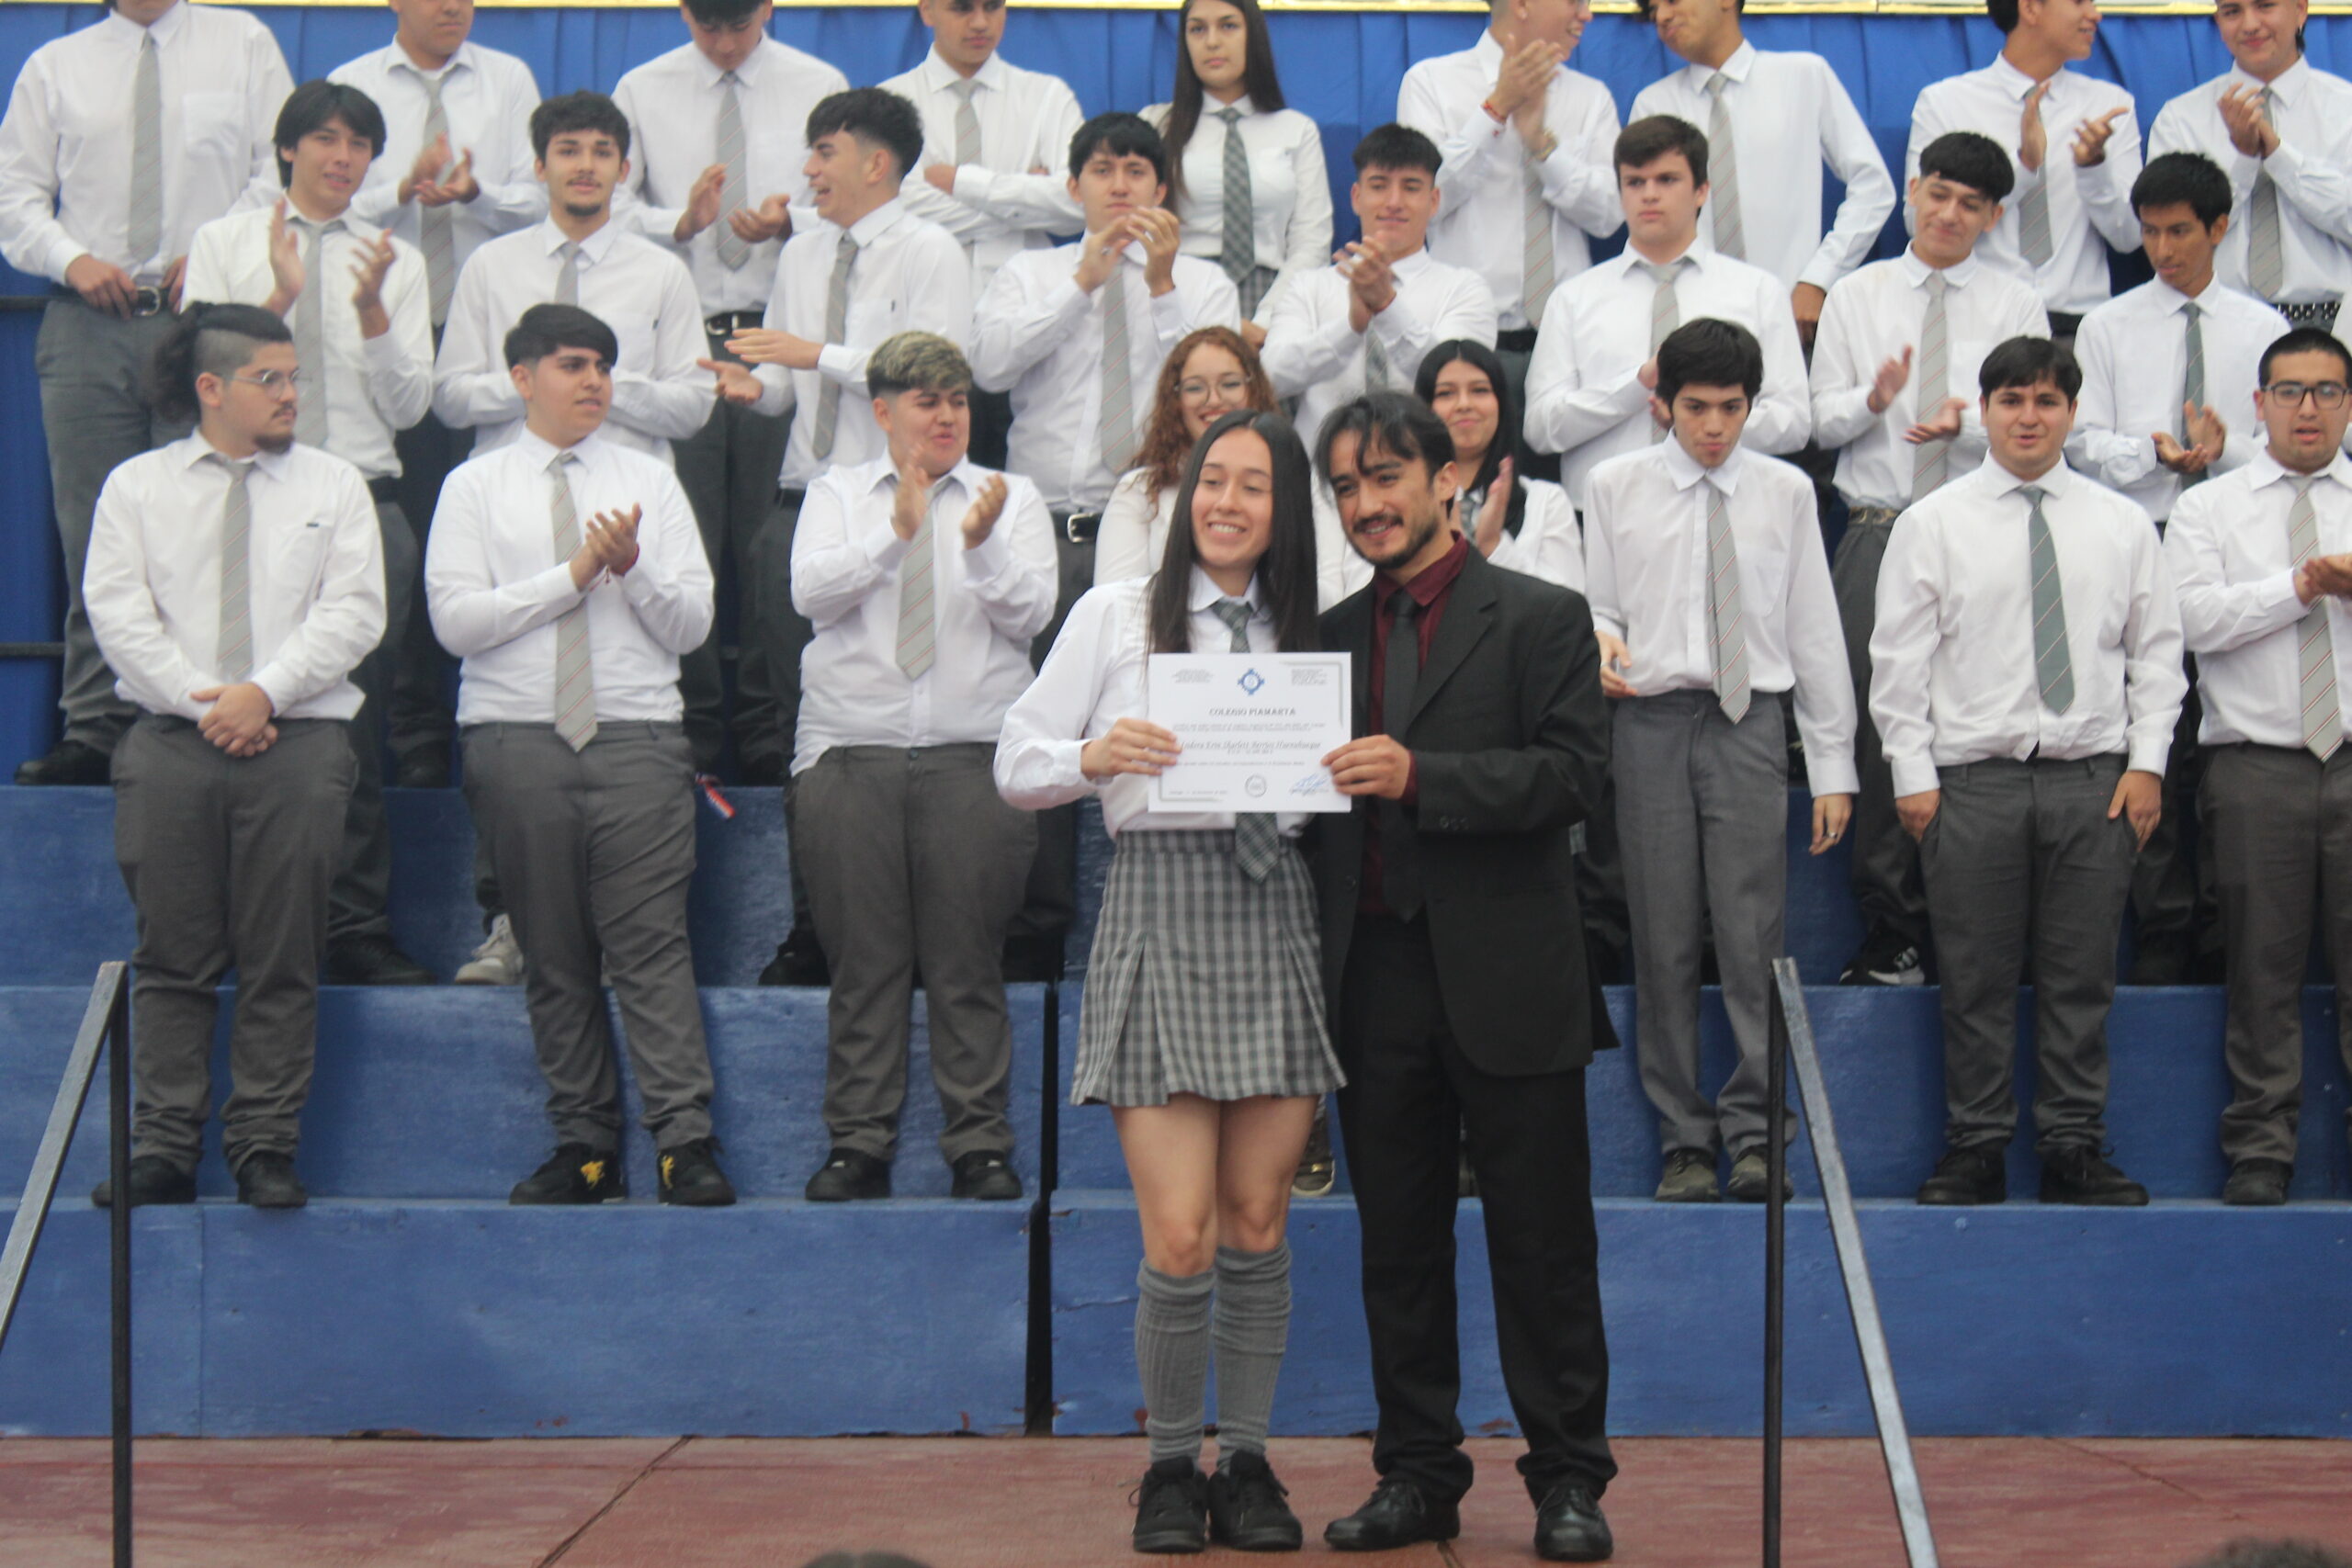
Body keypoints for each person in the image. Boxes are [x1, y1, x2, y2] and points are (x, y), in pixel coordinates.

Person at [996, 408, 1342, 1554]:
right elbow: (1014, 761)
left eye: (1254, 486)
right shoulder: (1116, 612)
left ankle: (1245, 1463)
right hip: (1157, 902)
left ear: (1285, 511)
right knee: (1180, 1235)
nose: (1228, 503)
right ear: (1186, 494)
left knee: (1257, 1221)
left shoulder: (1312, 630)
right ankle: (1165, 1471)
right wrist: (1091, 756)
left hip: (1274, 910)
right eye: (1213, 481)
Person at [1312, 392, 1615, 1561]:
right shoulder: (1322, 639)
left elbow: (1571, 779)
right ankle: (1416, 1476)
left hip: (1511, 974)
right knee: (1396, 1245)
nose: (1366, 504)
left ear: (1447, 478)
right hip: (1372, 977)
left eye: (1385, 476)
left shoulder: (1542, 615)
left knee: (1545, 1247)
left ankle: (1569, 1482)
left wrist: (1420, 777)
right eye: (1345, 486)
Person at [427, 303, 733, 1208]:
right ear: (522, 379)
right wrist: (572, 577)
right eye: (572, 364)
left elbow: (692, 624)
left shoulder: (651, 479)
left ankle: (685, 1142)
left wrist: (631, 566)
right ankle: (585, 1148)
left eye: (603, 364)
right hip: (517, 734)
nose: (594, 380)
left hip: (637, 734)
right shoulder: (474, 486)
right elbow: (456, 623)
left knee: (652, 948)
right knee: (552, 954)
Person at [84, 302, 385, 1210]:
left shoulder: (334, 483)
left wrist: (264, 692)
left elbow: (355, 611)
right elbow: (117, 612)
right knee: (171, 955)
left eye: (295, 377)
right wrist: (206, 701)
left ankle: (265, 1146)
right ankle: (163, 1150)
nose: (291, 394)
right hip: (173, 741)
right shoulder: (137, 486)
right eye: (270, 379)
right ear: (211, 387)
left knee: (282, 953)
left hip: (299, 741)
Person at [1871, 335, 2185, 1207]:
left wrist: (2149, 763)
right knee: (1975, 977)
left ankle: (2072, 1146)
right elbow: (1898, 661)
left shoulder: (2121, 523)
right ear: (1984, 410)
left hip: (2095, 782)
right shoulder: (1933, 522)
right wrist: (1912, 773)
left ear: (2073, 413)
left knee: (2082, 976)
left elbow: (2157, 654)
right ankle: (1975, 1146)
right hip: (1972, 783)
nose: (2029, 417)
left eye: (2047, 401)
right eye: (2011, 400)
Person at [1585, 319, 1856, 1202]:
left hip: (1750, 720)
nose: (1712, 426)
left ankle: (1757, 1133)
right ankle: (1683, 1139)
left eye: (1731, 408)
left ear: (1752, 405)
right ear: (1662, 401)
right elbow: (1600, 603)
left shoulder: (1785, 491)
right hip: (1650, 719)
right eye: (1695, 407)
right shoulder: (1615, 484)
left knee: (1752, 937)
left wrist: (1832, 764)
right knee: (1662, 935)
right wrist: (1600, 638)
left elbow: (1814, 627)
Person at [707, 85, 971, 987]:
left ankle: (917, 926)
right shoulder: (804, 252)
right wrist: (755, 390)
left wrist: (814, 355)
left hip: (898, 511)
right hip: (801, 504)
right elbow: (790, 390)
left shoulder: (931, 249)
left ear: (876, 162)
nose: (809, 171)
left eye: (824, 152)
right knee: (804, 733)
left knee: (906, 725)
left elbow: (938, 373)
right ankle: (814, 924)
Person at [182, 79, 441, 989]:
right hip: (246, 496)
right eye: (325, 139)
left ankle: (355, 924)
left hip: (364, 497)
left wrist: (373, 320)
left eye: (359, 144)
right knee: (239, 707)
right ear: (288, 147)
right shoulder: (225, 242)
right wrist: (281, 298)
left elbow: (411, 407)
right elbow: (199, 381)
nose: (343, 157)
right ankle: (231, 923)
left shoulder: (395, 259)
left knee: (351, 729)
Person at [0, 0, 292, 787]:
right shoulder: (56, 66)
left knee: (204, 523)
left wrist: (214, 246)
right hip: (86, 321)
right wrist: (69, 257)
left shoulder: (243, 41)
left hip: (205, 324)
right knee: (93, 529)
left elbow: (277, 172)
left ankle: (199, 714)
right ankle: (95, 728)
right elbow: (13, 194)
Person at [793, 333, 1056, 1203]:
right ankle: (857, 1145)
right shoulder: (836, 493)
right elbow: (810, 594)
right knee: (863, 965)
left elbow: (1032, 614)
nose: (947, 416)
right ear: (882, 411)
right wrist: (893, 534)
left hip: (973, 755)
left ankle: (978, 1144)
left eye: (958, 401)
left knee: (967, 964)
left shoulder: (1010, 497)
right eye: (926, 401)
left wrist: (979, 545)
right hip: (850, 750)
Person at [1810, 130, 2050, 991]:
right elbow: (1819, 420)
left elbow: (2042, 417)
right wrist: (1873, 401)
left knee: (1980, 713)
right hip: (1878, 527)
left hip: (1983, 529)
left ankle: (1979, 923)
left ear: (1993, 216)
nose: (1949, 214)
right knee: (1882, 723)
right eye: (1937, 194)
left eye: (1970, 204)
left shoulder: (2016, 300)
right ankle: (1892, 927)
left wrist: (1969, 426)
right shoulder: (1858, 293)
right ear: (1912, 192)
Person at [612, 0, 847, 783]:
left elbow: (850, 208)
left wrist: (790, 223)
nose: (722, 44)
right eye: (706, 27)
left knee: (767, 544)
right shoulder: (642, 87)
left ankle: (767, 737)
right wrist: (678, 224)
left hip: (780, 340)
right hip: (682, 341)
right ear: (682, 12)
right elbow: (605, 206)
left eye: (739, 27)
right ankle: (694, 735)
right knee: (686, 542)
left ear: (768, 10)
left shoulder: (818, 82)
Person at [2072, 152, 2291, 985]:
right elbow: (2082, 440)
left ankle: (2221, 925)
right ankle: (2162, 925)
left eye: (2179, 232)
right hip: (2138, 533)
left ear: (2219, 228)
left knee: (2226, 741)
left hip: (2235, 543)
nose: (2162, 249)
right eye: (2151, 232)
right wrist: (2151, 452)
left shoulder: (2261, 328)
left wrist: (2224, 451)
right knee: (2149, 733)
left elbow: (2287, 446)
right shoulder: (2108, 325)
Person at [330, 0, 547, 791]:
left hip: (489, 339)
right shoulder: (352, 85)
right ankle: (414, 730)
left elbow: (540, 199)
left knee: (500, 537)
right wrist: (402, 186)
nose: (453, 6)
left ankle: (501, 717)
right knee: (414, 541)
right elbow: (326, 207)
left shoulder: (509, 78)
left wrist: (473, 192)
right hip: (392, 336)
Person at [2164, 325, 2352, 1206]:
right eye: (2289, 391)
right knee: (2260, 969)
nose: (2307, 408)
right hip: (2255, 765)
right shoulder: (2210, 507)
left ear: (2348, 404)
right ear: (2260, 403)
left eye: (2326, 391)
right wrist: (2300, 587)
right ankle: (2261, 1148)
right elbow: (2193, 622)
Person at [971, 111, 1239, 622]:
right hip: (1042, 532)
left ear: (1160, 190)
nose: (1119, 186)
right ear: (1074, 187)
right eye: (1102, 171)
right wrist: (1080, 287)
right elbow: (989, 369)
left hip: (1157, 530)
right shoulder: (1029, 273)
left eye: (1136, 172)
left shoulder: (1204, 283)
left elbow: (1219, 396)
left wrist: (1163, 290)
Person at [1523, 115, 1809, 513]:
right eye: (1635, 182)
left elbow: (1793, 423)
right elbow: (1541, 429)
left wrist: (1696, 421)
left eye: (1667, 180)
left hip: (1729, 510)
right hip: (1609, 515)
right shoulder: (1573, 299)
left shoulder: (1758, 292)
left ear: (1701, 190)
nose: (1649, 195)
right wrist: (1637, 384)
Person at [435, 91, 712, 466]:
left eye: (602, 153)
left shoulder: (663, 272)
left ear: (624, 171)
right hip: (510, 482)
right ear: (539, 168)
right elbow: (449, 399)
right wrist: (536, 383)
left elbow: (694, 408)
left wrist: (601, 385)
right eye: (568, 151)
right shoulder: (489, 265)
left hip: (624, 484)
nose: (586, 166)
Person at [882, 0, 1086, 467]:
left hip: (1025, 333)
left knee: (1011, 491)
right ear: (927, 10)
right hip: (921, 325)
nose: (980, 22)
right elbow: (894, 207)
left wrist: (963, 183)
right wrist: (1025, 197)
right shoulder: (891, 102)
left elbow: (1077, 204)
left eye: (992, 7)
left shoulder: (1045, 97)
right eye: (962, 8)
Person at [1628, 0, 1894, 350]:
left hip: (1787, 320)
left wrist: (1819, 278)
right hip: (1691, 331)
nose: (1662, 17)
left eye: (1672, 1)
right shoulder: (1654, 103)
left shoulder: (1803, 77)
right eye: (1653, 10)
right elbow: (1643, 217)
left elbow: (1874, 187)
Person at [1396, 0, 1621, 407]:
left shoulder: (1590, 98)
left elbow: (1609, 216)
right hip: (1463, 346)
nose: (1586, 14)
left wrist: (1542, 147)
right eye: (1575, 1)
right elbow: (1425, 201)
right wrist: (1496, 108)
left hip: (1567, 347)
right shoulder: (1431, 83)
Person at [1257, 125, 1497, 464]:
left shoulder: (1465, 289)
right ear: (1356, 197)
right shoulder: (1308, 287)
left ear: (1433, 201)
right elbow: (1269, 378)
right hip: (1319, 479)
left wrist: (1387, 307)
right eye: (1379, 186)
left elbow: (1455, 382)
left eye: (1410, 188)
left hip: (1423, 475)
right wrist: (1350, 328)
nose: (1394, 202)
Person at [1905, 0, 2143, 337]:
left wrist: (2093, 170)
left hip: (2076, 327)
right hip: (1980, 324)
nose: (2095, 14)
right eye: (2079, 1)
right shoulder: (1946, 102)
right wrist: (2024, 166)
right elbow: (1917, 222)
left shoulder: (2110, 105)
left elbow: (2130, 236)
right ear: (2030, 8)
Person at [2150, 0, 2352, 331]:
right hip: (2223, 324)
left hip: (2335, 322)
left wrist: (2277, 156)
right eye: (2232, 12)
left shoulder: (2345, 109)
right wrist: (2245, 160)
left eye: (2265, 6)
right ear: (2218, 22)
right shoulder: (2182, 118)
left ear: (2301, 10)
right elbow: (2174, 236)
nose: (2250, 25)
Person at [1143, 0, 1329, 325]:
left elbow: (1311, 240)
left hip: (1276, 301)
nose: (1212, 41)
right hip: (1183, 298)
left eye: (1228, 26)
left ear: (1253, 35)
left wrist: (1269, 320)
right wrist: (1193, 314)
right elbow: (1140, 234)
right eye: (1197, 29)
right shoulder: (1156, 125)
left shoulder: (1296, 129)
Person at [1092, 324, 1278, 585]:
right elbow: (1115, 597)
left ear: (1254, 389)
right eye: (1195, 388)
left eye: (1230, 384)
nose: (1214, 400)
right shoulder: (1139, 490)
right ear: (1175, 400)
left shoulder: (1291, 480)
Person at [1415, 338, 1583, 591]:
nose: (1464, 404)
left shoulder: (1545, 502)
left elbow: (1571, 604)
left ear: (1501, 405)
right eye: (1446, 393)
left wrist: (1495, 547)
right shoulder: (1402, 502)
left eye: (1479, 390)